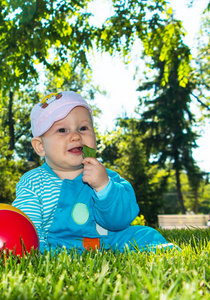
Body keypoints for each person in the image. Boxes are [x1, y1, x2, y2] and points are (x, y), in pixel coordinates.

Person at [13, 91, 175, 253]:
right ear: (40, 146)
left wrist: (104, 187)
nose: (76, 136)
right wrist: (36, 251)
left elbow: (120, 221)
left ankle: (167, 257)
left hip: (107, 241)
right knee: (35, 245)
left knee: (145, 234)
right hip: (57, 246)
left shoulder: (106, 177)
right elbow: (27, 225)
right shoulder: (33, 182)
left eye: (83, 128)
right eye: (62, 130)